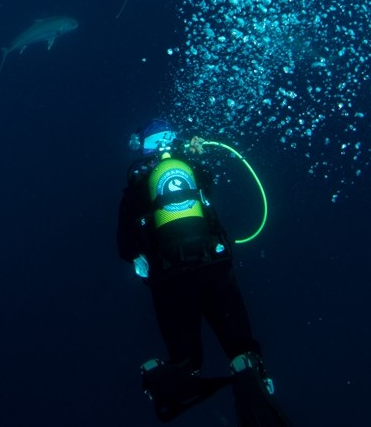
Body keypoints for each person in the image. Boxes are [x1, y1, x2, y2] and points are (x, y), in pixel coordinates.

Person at [118, 118, 292, 425]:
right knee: (241, 349)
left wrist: (139, 257)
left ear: (144, 147)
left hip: (170, 280)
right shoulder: (193, 170)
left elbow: (124, 246)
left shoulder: (136, 184)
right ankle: (253, 377)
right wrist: (194, 155)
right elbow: (208, 192)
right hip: (215, 269)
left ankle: (175, 376)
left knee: (186, 360)